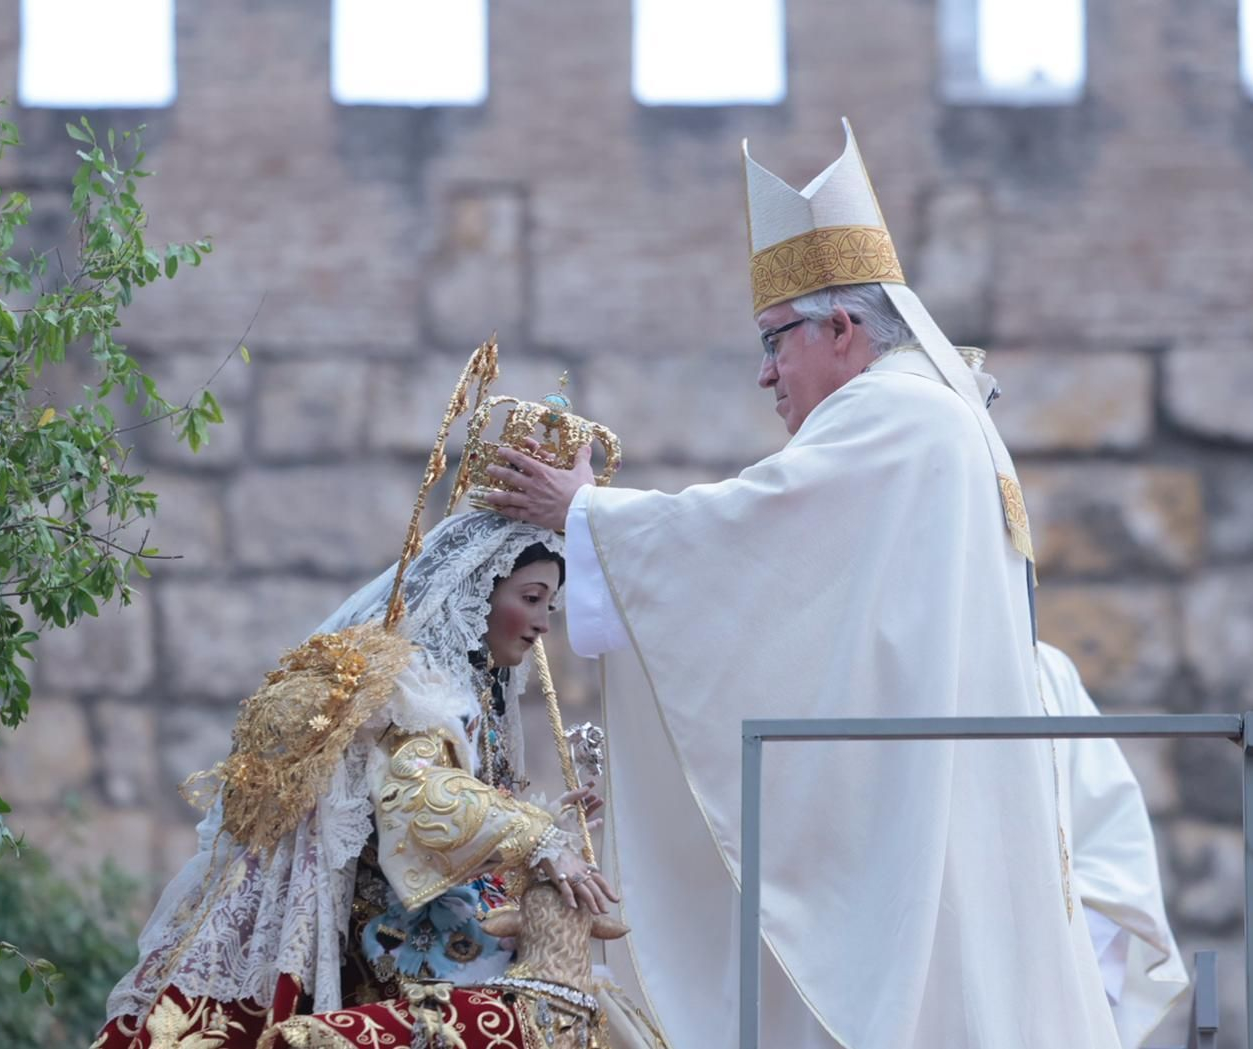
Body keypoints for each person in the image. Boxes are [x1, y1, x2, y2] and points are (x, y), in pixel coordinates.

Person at [486, 119, 1121, 1047]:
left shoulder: (894, 413)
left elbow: (752, 535)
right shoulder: (933, 414)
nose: (764, 372)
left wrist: (587, 515)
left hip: (923, 808)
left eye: (776, 339)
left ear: (840, 326)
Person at [91, 511, 615, 1049]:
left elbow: (467, 803)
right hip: (399, 934)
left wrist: (547, 822)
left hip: (443, 915)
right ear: (478, 591)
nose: (543, 624)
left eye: (549, 606)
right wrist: (539, 840)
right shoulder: (418, 686)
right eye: (530, 599)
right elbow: (415, 794)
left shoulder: (469, 693)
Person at [1039, 641, 1190, 1047]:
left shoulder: (1044, 674)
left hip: (1039, 988)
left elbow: (1116, 858)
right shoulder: (862, 652)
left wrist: (1044, 956)